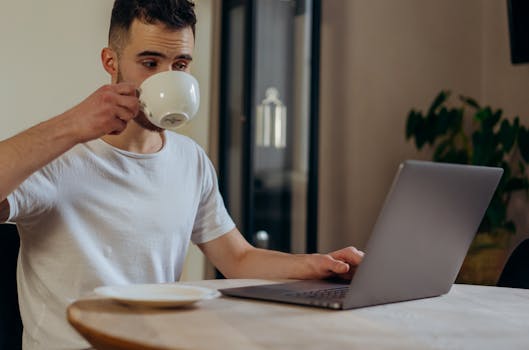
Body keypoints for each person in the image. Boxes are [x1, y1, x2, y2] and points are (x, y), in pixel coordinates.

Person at [0, 1, 364, 349]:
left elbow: (238, 259)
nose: (167, 77)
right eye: (150, 62)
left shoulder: (191, 160)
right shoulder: (58, 155)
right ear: (110, 62)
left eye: (180, 65)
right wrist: (74, 124)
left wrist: (316, 264)